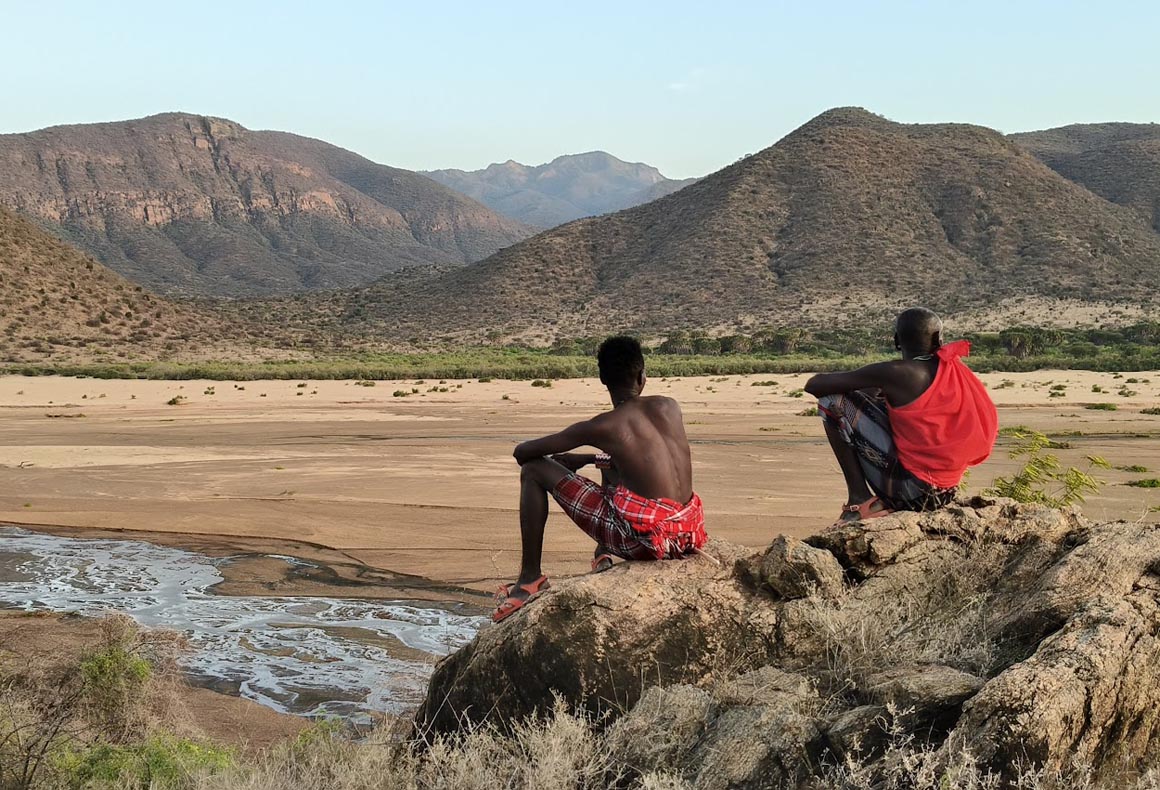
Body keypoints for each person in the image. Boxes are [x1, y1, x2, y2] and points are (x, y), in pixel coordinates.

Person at [494, 336, 707, 623]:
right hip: (688, 534)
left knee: (533, 470)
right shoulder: (670, 407)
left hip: (648, 543)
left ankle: (530, 579)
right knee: (611, 458)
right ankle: (601, 554)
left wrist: (577, 448)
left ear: (602, 379)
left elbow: (524, 453)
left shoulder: (603, 426)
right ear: (642, 375)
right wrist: (584, 459)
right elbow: (640, 460)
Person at [804, 307, 998, 525]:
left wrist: (866, 388)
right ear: (939, 340)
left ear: (897, 340)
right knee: (869, 397)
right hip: (944, 492)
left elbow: (815, 385)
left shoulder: (896, 372)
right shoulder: (951, 368)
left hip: (911, 492)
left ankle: (859, 498)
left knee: (831, 401)